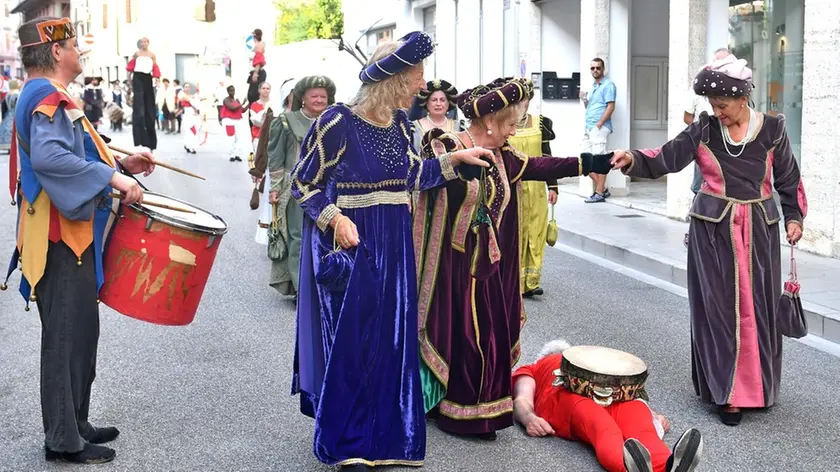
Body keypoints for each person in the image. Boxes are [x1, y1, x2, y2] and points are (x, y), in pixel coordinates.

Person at [290, 31, 495, 471]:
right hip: (356, 243)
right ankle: (346, 442)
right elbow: (302, 184)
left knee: (391, 340)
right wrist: (336, 219)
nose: (423, 86)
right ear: (396, 77)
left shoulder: (402, 125)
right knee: (354, 342)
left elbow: (410, 178)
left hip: (396, 243)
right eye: (417, 75)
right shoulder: (337, 121)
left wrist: (454, 162)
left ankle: (386, 439)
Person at [412, 77, 615, 440]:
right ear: (489, 121)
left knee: (493, 332)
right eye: (508, 124)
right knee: (468, 335)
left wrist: (591, 163)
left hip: (492, 266)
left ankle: (487, 407)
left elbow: (542, 166)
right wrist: (455, 168)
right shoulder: (445, 145)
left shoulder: (505, 156)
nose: (512, 131)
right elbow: (424, 186)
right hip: (456, 266)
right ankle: (461, 410)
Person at [610, 54, 807, 426]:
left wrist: (793, 217)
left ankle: (758, 387)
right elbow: (666, 157)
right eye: (713, 105)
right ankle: (727, 394)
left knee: (759, 309)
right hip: (713, 232)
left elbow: (788, 179)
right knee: (717, 310)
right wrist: (633, 158)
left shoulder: (773, 130)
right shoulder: (703, 130)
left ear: (743, 98)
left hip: (761, 235)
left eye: (723, 105)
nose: (717, 112)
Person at [2, 17, 155, 464]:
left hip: (71, 234)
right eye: (74, 46)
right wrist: (113, 178)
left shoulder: (50, 95)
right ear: (55, 52)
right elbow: (50, 157)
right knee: (66, 337)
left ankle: (76, 421)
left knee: (81, 334)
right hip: (57, 236)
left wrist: (120, 163)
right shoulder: (45, 95)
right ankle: (62, 440)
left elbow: (75, 152)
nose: (79, 52)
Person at [512, 339, 704, 472]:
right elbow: (521, 401)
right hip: (572, 397)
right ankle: (662, 465)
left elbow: (522, 401)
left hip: (609, 396)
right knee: (613, 427)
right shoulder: (535, 367)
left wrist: (652, 415)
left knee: (621, 428)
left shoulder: (533, 368)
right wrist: (529, 419)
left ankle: (657, 465)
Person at [266, 76, 334, 299]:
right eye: (314, 95)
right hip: (296, 188)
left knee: (326, 237)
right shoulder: (286, 121)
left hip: (328, 188)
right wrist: (275, 188)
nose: (319, 99)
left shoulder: (335, 121)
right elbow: (275, 157)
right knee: (298, 237)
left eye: (323, 96)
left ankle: (324, 283)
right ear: (302, 98)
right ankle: (300, 289)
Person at [508, 79, 557, 297]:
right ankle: (514, 282)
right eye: (518, 99)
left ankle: (532, 281)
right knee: (515, 233)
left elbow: (547, 156)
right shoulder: (505, 126)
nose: (522, 104)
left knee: (536, 233)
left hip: (536, 189)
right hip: (513, 188)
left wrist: (553, 186)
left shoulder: (541, 123)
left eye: (525, 99)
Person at [682, 47, 731, 248]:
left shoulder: (734, 90)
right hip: (706, 147)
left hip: (729, 147)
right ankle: (694, 232)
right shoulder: (698, 90)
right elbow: (687, 117)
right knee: (700, 187)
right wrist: (701, 133)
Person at [252, 79, 296, 246]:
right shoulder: (275, 115)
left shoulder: (306, 116)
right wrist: (258, 170)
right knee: (274, 206)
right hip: (277, 170)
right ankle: (276, 238)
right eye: (292, 94)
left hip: (296, 172)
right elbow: (264, 144)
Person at [580, 57, 616, 203]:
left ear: (603, 69)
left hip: (599, 127)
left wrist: (600, 123)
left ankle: (599, 193)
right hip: (589, 127)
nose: (595, 70)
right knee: (585, 160)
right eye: (592, 68)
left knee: (599, 160)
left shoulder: (608, 85)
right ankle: (603, 188)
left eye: (598, 68)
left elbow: (610, 106)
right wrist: (584, 99)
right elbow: (589, 107)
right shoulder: (594, 86)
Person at [126, 37, 160, 150]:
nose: (144, 43)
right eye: (142, 42)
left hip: (147, 77)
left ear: (148, 43)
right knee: (139, 103)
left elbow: (155, 67)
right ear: (140, 44)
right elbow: (130, 67)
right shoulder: (137, 54)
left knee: (148, 103)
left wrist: (157, 79)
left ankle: (150, 141)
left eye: (146, 42)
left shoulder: (152, 55)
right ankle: (139, 138)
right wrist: (129, 79)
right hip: (138, 77)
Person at [410, 79, 462, 150]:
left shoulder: (459, 127)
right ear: (427, 103)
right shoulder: (413, 128)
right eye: (434, 100)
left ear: (448, 103)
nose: (438, 104)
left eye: (442, 100)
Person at [220, 85, 249, 162]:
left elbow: (242, 110)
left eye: (233, 90)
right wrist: (242, 103)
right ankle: (231, 155)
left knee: (238, 138)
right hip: (229, 120)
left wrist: (249, 103)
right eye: (230, 90)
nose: (232, 92)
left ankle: (237, 154)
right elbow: (232, 108)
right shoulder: (226, 100)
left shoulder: (236, 100)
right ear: (228, 91)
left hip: (237, 120)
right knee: (231, 138)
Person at [179, 83, 201, 154]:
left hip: (193, 115)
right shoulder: (183, 95)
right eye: (186, 87)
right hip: (187, 114)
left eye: (188, 87)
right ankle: (190, 146)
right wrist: (195, 100)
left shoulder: (192, 96)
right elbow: (194, 103)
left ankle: (190, 145)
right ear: (183, 88)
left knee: (194, 130)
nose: (187, 88)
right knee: (189, 130)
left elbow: (197, 103)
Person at [0, 79, 20, 151]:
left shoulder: (7, 96)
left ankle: (7, 147)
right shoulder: (18, 95)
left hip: (8, 116)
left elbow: (3, 108)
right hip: (15, 115)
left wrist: (3, 119)